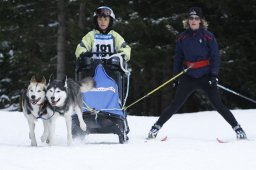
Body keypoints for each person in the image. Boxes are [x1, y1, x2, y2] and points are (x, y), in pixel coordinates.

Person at [147, 7, 247, 140]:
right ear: (187, 21)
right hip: (188, 76)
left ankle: (238, 129)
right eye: (191, 18)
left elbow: (215, 57)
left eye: (196, 18)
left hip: (206, 76)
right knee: (175, 103)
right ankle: (155, 128)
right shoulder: (182, 37)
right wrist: (175, 77)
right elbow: (178, 57)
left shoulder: (208, 36)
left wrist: (213, 75)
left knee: (218, 104)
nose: (193, 21)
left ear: (200, 21)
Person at [75, 6, 131, 100]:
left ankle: (116, 103)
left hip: (112, 70)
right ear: (96, 21)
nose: (103, 22)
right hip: (93, 68)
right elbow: (80, 47)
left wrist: (121, 55)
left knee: (116, 80)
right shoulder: (91, 35)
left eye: (105, 19)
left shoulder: (115, 36)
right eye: (100, 19)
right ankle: (87, 104)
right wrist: (84, 54)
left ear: (110, 21)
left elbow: (126, 49)